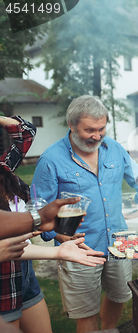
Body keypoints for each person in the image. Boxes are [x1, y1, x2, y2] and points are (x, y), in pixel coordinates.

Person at [32, 95, 138, 333]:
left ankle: (109, 329)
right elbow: (38, 209)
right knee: (86, 312)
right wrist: (59, 238)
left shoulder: (115, 149)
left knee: (121, 295)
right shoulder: (51, 160)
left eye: (101, 129)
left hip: (118, 241)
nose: (97, 136)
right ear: (71, 125)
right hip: (79, 247)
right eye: (89, 130)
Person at [0, 115, 105, 333]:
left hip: (24, 273)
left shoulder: (4, 167)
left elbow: (25, 131)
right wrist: (41, 223)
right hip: (3, 280)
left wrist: (57, 237)